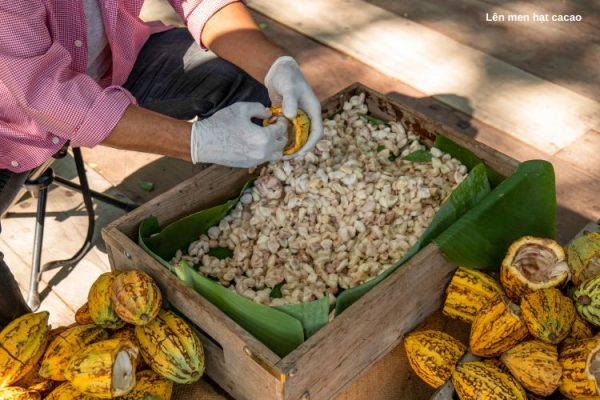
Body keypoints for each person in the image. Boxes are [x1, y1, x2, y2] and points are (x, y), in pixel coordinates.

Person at [0, 1, 323, 327]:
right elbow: (45, 93)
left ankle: (251, 244)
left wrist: (275, 65)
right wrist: (199, 141)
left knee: (239, 79)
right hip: (9, 122)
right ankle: (22, 362)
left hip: (113, 66)